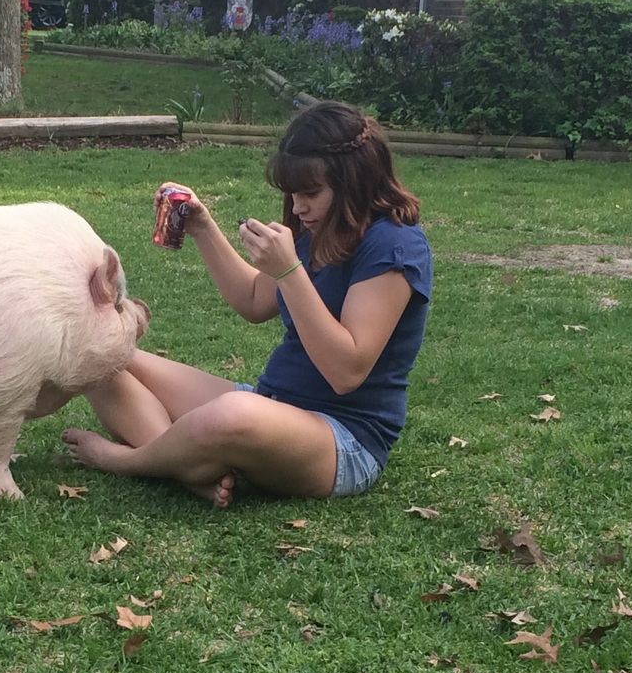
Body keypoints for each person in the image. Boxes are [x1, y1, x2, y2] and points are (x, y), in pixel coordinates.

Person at [61, 100, 433, 508]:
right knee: (103, 356)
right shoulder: (319, 227)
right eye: (291, 194)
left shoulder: (394, 246)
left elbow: (347, 370)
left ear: (355, 182)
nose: (297, 207)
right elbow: (254, 301)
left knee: (231, 414)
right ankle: (189, 468)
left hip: (343, 438)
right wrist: (202, 225)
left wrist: (289, 271)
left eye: (311, 192)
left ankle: (128, 461)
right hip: (272, 406)